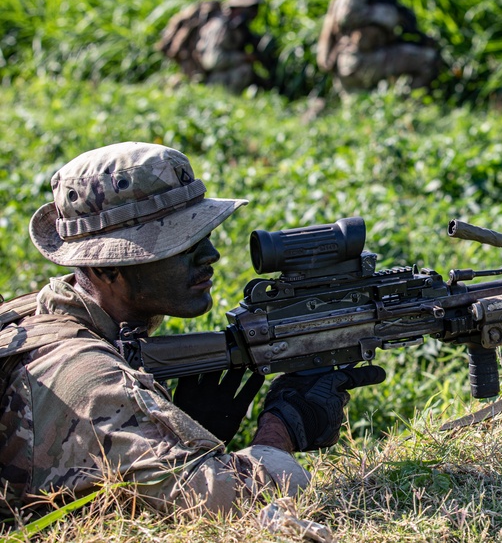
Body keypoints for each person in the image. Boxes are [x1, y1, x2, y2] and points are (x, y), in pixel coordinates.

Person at [0, 142, 384, 519]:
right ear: (106, 268)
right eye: (181, 244)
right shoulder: (89, 378)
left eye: (204, 234)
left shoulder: (37, 312)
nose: (211, 255)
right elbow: (226, 503)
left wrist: (181, 423)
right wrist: (281, 429)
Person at [157, 0, 277, 94]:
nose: (254, 13)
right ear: (237, 7)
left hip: (216, 74)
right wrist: (244, 57)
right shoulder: (219, 26)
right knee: (244, 70)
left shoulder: (239, 28)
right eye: (250, 8)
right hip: (205, 78)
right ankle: (225, 101)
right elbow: (212, 61)